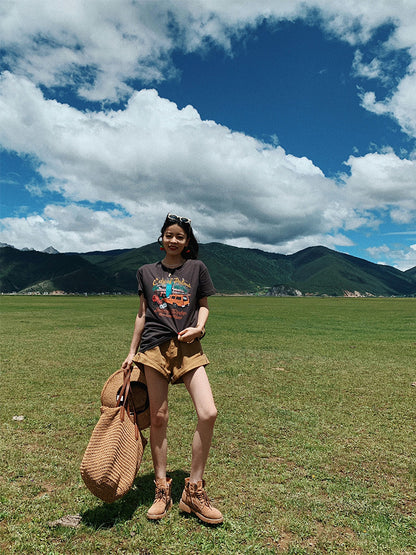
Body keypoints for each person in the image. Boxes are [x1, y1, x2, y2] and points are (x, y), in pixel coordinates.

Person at [122, 213, 223, 524]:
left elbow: (203, 304)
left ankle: (193, 490)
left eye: (180, 236)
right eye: (170, 235)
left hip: (188, 346)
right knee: (158, 418)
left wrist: (199, 329)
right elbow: (142, 314)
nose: (174, 240)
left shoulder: (196, 269)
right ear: (162, 238)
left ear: (187, 241)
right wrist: (130, 352)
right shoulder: (146, 271)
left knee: (208, 412)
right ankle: (162, 490)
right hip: (153, 348)